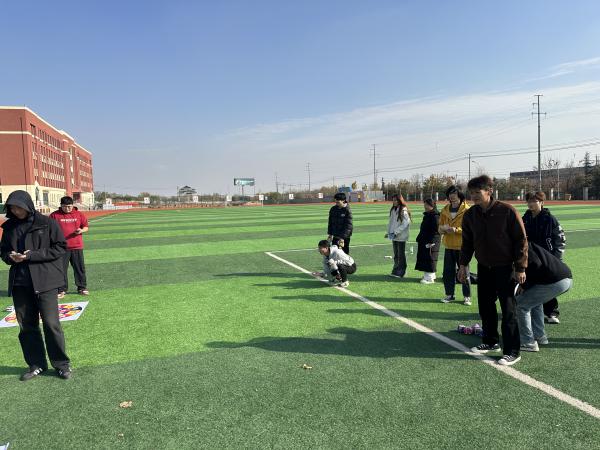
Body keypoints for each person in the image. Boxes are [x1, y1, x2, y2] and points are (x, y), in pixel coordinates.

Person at [0, 190, 72, 381]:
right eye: (12, 208)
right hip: (20, 283)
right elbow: (4, 252)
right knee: (26, 326)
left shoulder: (47, 223)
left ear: (27, 205)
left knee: (51, 324)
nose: (16, 211)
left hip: (45, 281)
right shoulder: (9, 227)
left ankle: (61, 364)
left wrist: (31, 255)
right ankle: (36, 364)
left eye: (19, 207)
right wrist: (11, 257)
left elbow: (60, 247)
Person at [458, 175, 528, 366]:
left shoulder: (507, 211)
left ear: (489, 191)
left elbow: (521, 240)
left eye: (477, 192)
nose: (473, 196)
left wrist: (520, 267)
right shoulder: (471, 215)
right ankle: (490, 341)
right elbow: (467, 243)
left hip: (506, 268)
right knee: (485, 307)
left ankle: (512, 351)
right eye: (471, 193)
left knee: (508, 310)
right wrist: (463, 265)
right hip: (484, 268)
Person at [516, 242, 572, 352]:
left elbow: (536, 265)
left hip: (556, 281)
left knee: (521, 305)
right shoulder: (524, 244)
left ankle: (528, 342)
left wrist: (524, 285)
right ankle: (540, 336)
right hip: (564, 278)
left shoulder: (520, 248)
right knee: (535, 303)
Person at [522, 191, 566, 324]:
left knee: (547, 284)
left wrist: (557, 258)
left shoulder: (550, 219)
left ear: (542, 202)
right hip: (530, 257)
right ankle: (529, 308)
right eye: (529, 201)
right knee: (529, 283)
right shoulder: (525, 218)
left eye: (534, 201)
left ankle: (552, 312)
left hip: (547, 258)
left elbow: (560, 239)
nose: (531, 204)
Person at [50, 196, 90, 298]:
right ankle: (61, 290)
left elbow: (86, 227)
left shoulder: (79, 214)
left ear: (72, 205)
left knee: (79, 268)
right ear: (61, 205)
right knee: (61, 269)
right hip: (61, 247)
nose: (67, 208)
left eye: (69, 206)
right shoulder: (54, 215)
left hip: (77, 246)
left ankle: (82, 288)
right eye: (65, 206)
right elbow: (49, 229)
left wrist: (81, 230)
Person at [439, 185, 472, 305]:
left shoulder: (467, 210)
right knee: (448, 272)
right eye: (450, 194)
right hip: (448, 245)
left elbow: (470, 229)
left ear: (460, 195)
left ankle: (467, 296)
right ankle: (449, 294)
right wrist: (442, 229)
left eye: (454, 194)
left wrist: (456, 230)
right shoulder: (445, 210)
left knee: (464, 271)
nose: (452, 196)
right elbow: (440, 227)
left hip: (462, 246)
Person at [415, 198, 440, 284]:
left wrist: (431, 241)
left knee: (430, 258)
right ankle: (430, 275)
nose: (425, 206)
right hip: (425, 240)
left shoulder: (435, 216)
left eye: (427, 205)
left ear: (432, 205)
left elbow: (436, 230)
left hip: (431, 241)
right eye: (424, 204)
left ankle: (429, 278)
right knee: (426, 257)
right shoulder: (428, 214)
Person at [386, 194, 411, 278]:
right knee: (396, 254)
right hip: (394, 236)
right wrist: (389, 232)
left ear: (400, 201)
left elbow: (405, 223)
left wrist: (395, 232)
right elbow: (391, 222)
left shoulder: (404, 210)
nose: (394, 202)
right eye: (393, 200)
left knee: (401, 254)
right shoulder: (393, 209)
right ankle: (396, 270)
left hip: (401, 236)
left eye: (396, 200)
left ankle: (402, 271)